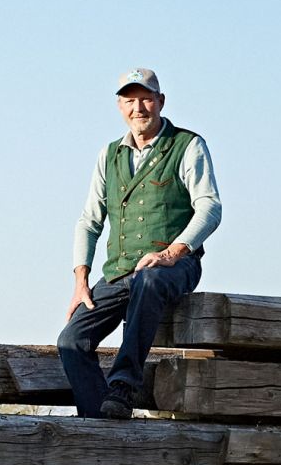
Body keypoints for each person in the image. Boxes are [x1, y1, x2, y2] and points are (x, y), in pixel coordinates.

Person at [57, 68, 221, 419]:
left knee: (149, 279)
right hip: (119, 271)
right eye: (130, 100)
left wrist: (172, 252)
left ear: (160, 102)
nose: (138, 108)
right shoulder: (110, 155)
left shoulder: (188, 145)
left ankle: (123, 387)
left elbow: (210, 207)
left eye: (146, 99)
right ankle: (100, 424)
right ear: (119, 106)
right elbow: (89, 220)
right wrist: (80, 280)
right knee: (71, 340)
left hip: (174, 266)